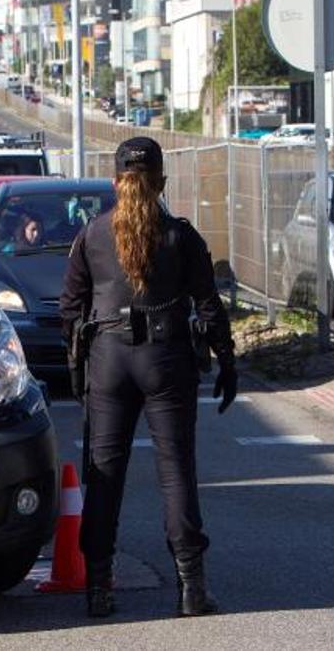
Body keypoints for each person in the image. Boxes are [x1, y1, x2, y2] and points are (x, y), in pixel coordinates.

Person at [59, 136, 237, 619]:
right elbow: (209, 305)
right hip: (166, 357)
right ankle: (191, 589)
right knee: (176, 471)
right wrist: (227, 360)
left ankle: (99, 590)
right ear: (161, 181)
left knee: (104, 474)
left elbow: (70, 308)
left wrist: (79, 366)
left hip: (109, 359)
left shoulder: (92, 235)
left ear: (117, 182)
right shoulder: (180, 236)